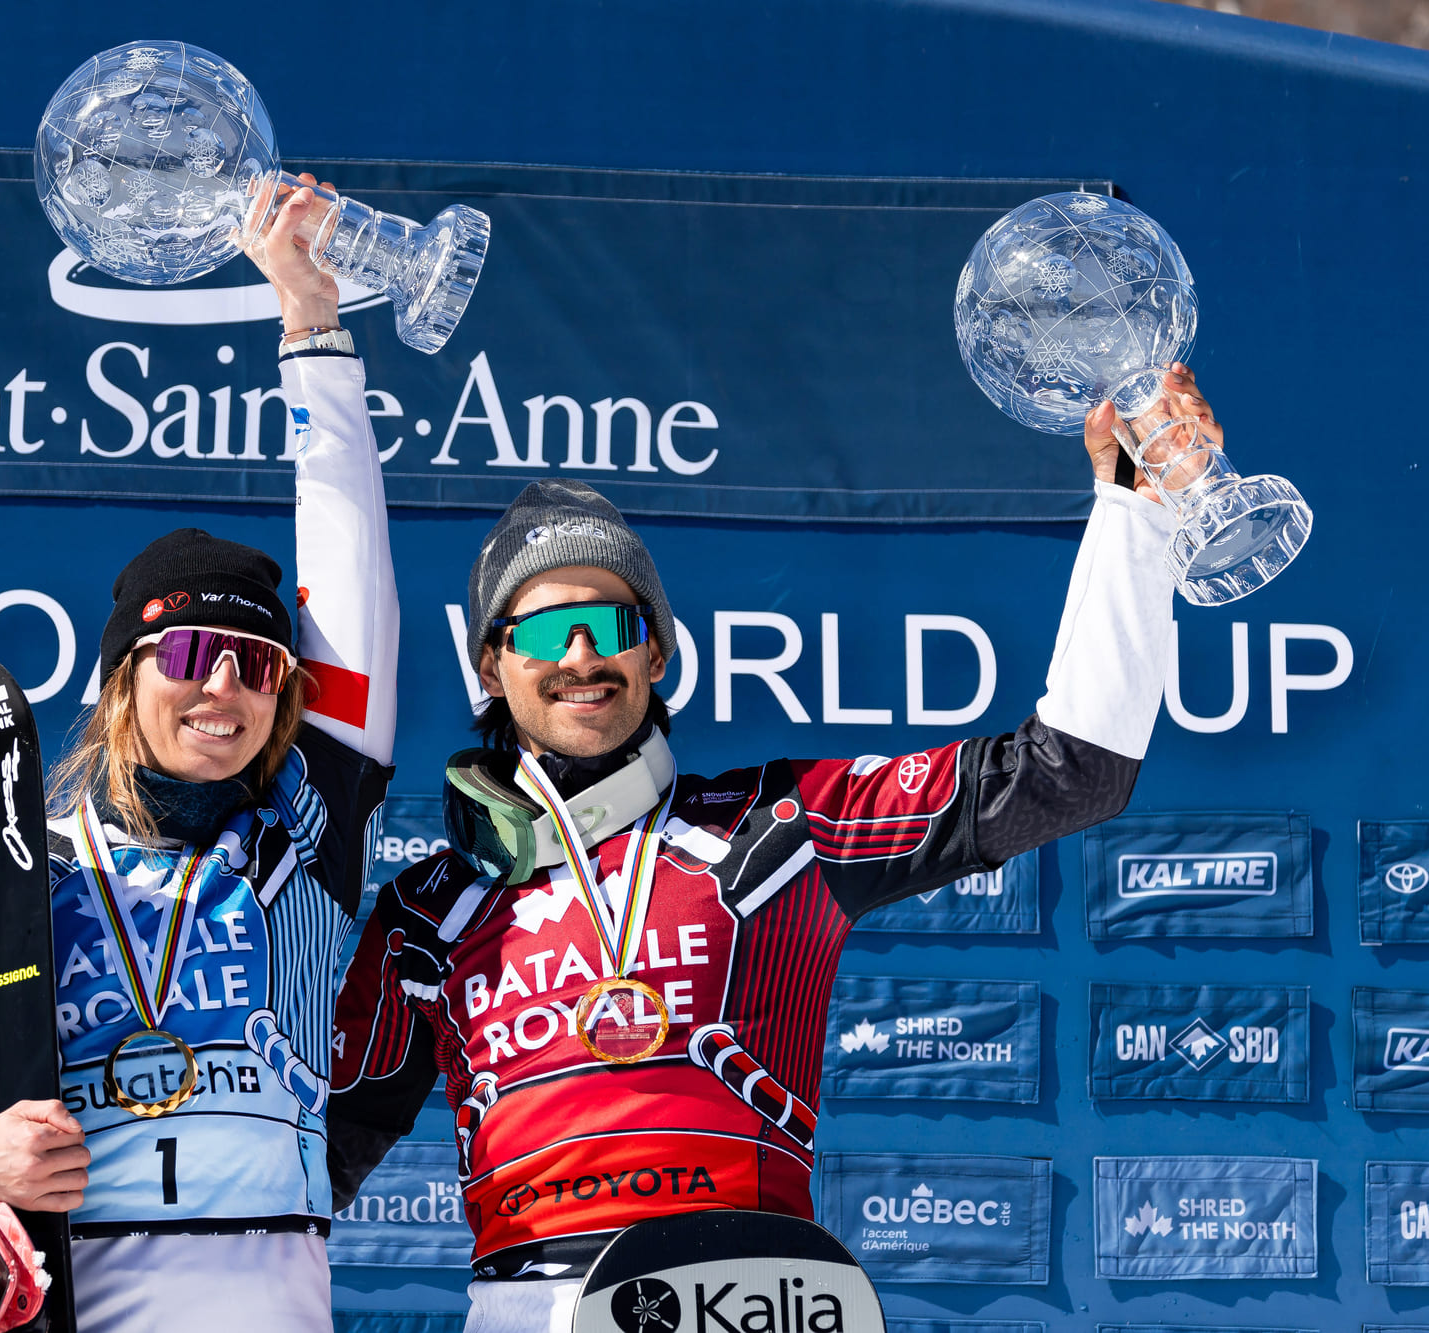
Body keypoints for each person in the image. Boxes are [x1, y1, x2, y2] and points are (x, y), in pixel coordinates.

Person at [327, 374, 1206, 1332]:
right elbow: (326, 1147)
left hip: (748, 1296)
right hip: (521, 1302)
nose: (581, 654)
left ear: (655, 654)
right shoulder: (430, 907)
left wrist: (1135, 513)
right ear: (491, 667)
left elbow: (1069, 771)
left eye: (614, 624)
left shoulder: (779, 823)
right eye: (541, 629)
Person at [0, 177, 398, 1332]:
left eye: (260, 665)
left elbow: (346, 569)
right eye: (190, 648)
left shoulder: (309, 829)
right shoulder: (4, 869)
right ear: (120, 680)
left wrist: (311, 326)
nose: (225, 684)